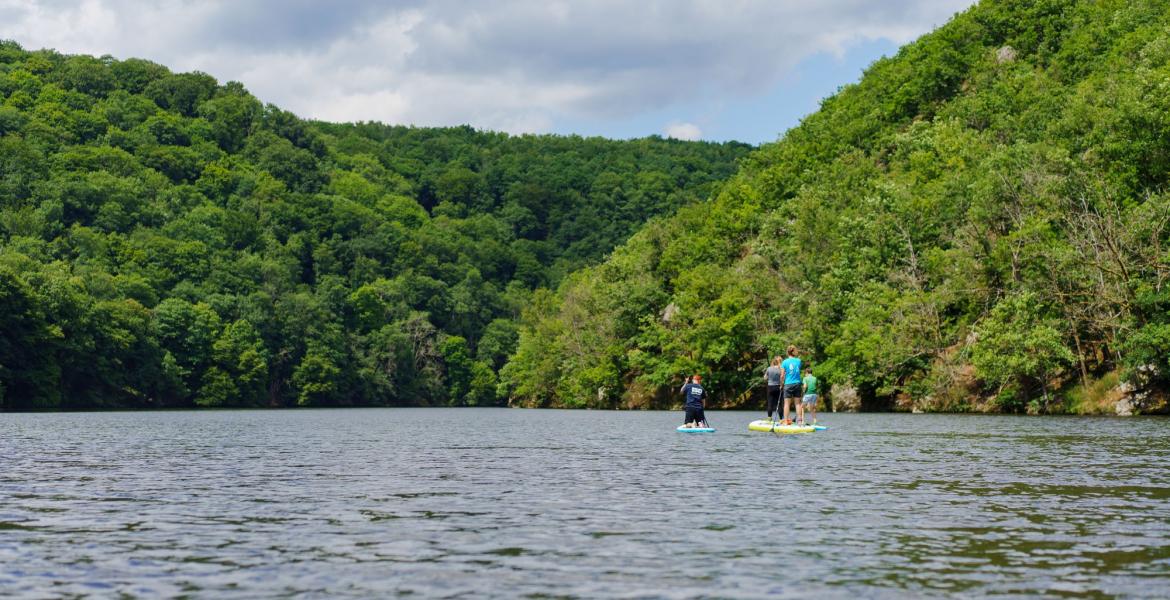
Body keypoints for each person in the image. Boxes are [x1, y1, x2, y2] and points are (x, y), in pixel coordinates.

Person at [780, 345, 803, 425]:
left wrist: (781, 384)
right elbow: (797, 370)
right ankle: (800, 421)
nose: (797, 352)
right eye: (796, 350)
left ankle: (786, 421)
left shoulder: (784, 362)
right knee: (798, 403)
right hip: (797, 383)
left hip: (788, 384)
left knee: (787, 404)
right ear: (793, 352)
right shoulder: (799, 361)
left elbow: (782, 375)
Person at [763, 356, 783, 421]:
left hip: (770, 387)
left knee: (770, 403)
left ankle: (769, 418)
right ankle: (781, 419)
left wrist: (768, 377)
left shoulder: (769, 368)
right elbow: (782, 378)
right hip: (778, 387)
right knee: (779, 404)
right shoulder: (781, 369)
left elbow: (765, 378)